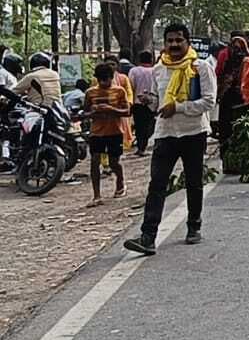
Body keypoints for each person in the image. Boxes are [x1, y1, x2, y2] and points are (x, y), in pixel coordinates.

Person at [123, 23, 217, 255]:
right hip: (165, 133)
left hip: (193, 132)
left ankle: (194, 226)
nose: (174, 45)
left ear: (187, 42)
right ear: (164, 44)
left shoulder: (200, 67)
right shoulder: (159, 69)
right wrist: (150, 101)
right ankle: (148, 237)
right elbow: (159, 103)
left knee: (193, 182)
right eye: (170, 41)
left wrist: (178, 107)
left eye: (178, 40)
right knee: (157, 184)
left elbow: (208, 101)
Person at [84, 63, 130, 206]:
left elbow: (127, 112)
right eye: (101, 80)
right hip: (96, 132)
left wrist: (111, 109)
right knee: (95, 161)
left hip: (114, 131)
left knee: (113, 162)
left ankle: (120, 181)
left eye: (106, 79)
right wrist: (93, 111)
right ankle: (96, 195)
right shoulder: (90, 93)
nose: (104, 83)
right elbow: (85, 112)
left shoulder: (119, 91)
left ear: (111, 78)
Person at [129, 51, 158, 156]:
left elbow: (131, 85)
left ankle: (140, 147)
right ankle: (143, 146)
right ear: (151, 59)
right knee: (148, 125)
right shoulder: (155, 71)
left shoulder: (134, 71)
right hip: (151, 102)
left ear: (139, 60)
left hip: (137, 102)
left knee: (139, 126)